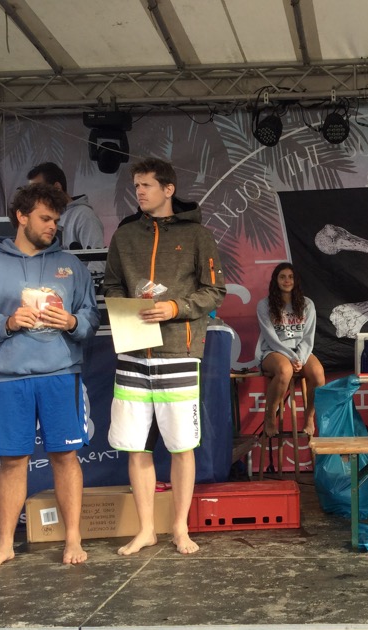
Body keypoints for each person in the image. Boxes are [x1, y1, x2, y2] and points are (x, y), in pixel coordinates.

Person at [0, 183, 100, 569]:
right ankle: (4, 545)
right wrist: (6, 321)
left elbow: (91, 316)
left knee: (65, 456)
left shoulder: (71, 265)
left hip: (61, 373)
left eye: (56, 220)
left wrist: (72, 321)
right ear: (21, 217)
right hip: (9, 377)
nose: (53, 226)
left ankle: (73, 539)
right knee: (12, 462)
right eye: (45, 218)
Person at [103, 157, 226, 556]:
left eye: (146, 185)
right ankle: (145, 530)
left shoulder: (198, 235)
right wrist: (128, 303)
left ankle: (179, 528)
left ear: (168, 189)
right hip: (133, 350)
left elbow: (215, 291)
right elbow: (111, 285)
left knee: (181, 445)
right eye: (136, 185)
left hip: (178, 350)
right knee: (136, 445)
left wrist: (174, 308)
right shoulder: (124, 236)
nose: (139, 192)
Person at [254, 262, 326, 437]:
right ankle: (270, 417)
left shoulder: (307, 304)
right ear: (276, 280)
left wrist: (300, 358)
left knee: (318, 375)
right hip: (273, 350)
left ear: (296, 281)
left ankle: (309, 417)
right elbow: (271, 337)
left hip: (300, 351)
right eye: (282, 277)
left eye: (290, 277)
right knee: (285, 370)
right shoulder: (264, 305)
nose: (287, 281)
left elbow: (308, 336)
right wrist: (291, 357)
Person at [26, 162, 105, 250]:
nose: (34, 196)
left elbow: (97, 257)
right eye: (31, 192)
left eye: (38, 190)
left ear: (57, 187)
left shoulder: (84, 216)